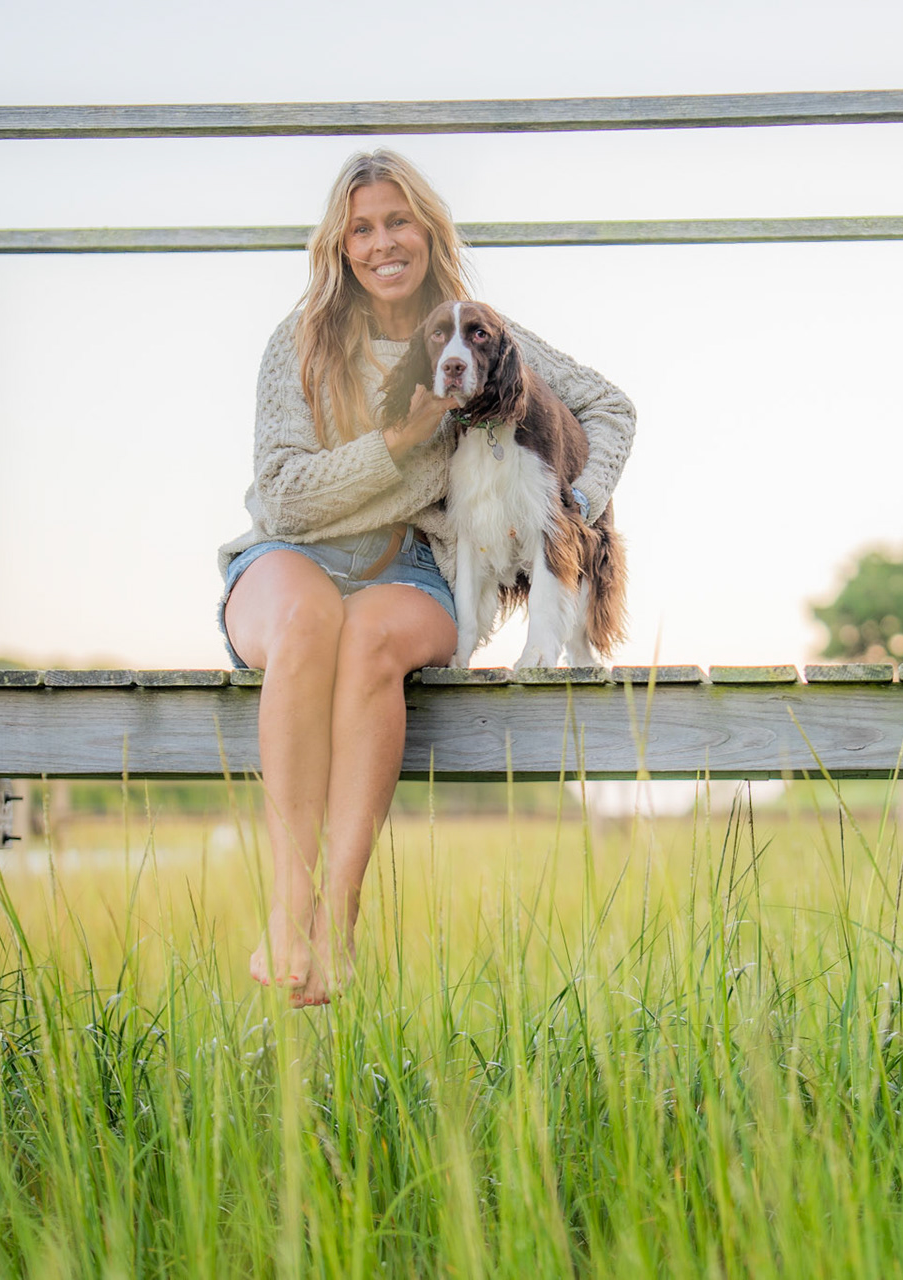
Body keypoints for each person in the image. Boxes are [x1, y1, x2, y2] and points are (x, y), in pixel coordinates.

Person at [217, 150, 635, 1006]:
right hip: (289, 559)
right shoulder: (298, 343)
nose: (382, 244)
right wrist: (400, 443)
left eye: (398, 221)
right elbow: (286, 498)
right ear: (339, 246)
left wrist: (578, 502)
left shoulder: (474, 331)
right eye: (362, 229)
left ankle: (339, 912)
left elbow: (610, 406)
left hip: (410, 569)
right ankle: (288, 907)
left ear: (429, 230)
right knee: (307, 625)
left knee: (370, 639)